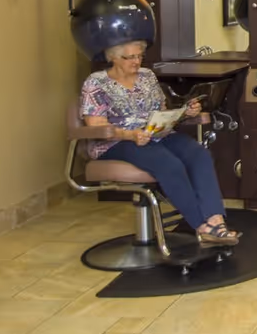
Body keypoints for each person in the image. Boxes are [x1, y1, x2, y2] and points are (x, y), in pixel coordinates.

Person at [80, 40, 240, 245]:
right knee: (168, 164)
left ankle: (215, 219)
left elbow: (162, 112)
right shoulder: (96, 83)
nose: (137, 62)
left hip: (157, 134)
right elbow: (96, 126)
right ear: (112, 57)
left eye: (139, 56)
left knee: (198, 154)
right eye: (130, 57)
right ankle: (202, 225)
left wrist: (184, 113)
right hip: (117, 142)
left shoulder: (148, 76)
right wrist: (131, 135)